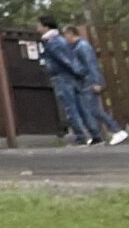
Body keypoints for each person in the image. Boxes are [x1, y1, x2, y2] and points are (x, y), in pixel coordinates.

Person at [37, 15, 99, 144]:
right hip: (73, 77)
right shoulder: (61, 40)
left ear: (46, 26)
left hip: (63, 77)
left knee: (70, 108)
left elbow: (65, 60)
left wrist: (76, 71)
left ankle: (81, 137)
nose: (37, 28)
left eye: (39, 25)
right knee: (82, 107)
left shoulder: (52, 42)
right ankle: (94, 134)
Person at [70, 22, 129, 145]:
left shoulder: (82, 47)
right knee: (91, 109)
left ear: (70, 34)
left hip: (89, 81)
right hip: (86, 80)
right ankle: (106, 133)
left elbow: (91, 64)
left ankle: (117, 130)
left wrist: (96, 81)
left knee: (94, 109)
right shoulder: (78, 47)